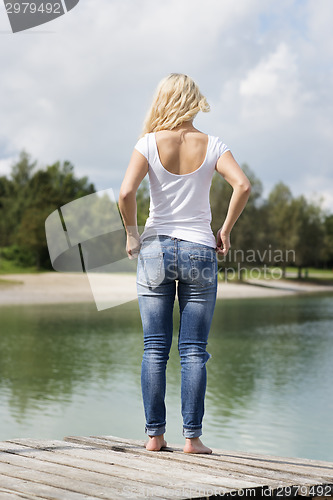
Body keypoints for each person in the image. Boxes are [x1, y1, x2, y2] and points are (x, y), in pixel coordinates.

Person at [118, 73, 251, 454]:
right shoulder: (213, 145)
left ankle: (155, 437)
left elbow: (127, 191)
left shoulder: (147, 143)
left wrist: (131, 233)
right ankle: (193, 439)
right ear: (194, 100)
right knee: (194, 350)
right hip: (199, 249)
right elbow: (241, 185)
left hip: (156, 249)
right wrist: (224, 230)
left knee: (154, 348)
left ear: (163, 100)